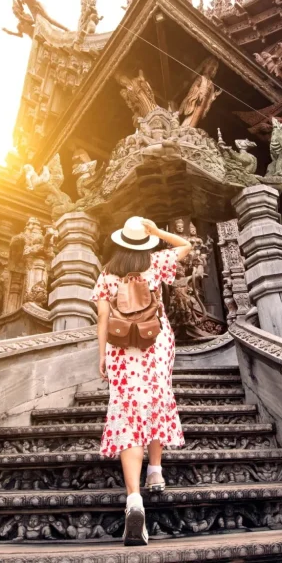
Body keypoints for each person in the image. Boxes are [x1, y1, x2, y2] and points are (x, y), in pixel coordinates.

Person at [91, 216, 192, 546]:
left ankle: (134, 499)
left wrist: (102, 354)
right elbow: (187, 246)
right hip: (156, 342)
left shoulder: (107, 273)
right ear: (144, 241)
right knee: (157, 400)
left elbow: (104, 316)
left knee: (128, 413)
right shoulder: (158, 261)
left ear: (120, 241)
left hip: (121, 347)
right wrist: (159, 232)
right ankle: (156, 470)